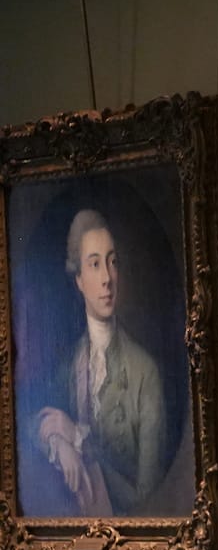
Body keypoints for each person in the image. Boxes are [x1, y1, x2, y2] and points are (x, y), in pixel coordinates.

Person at [31, 209, 167, 515]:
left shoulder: (145, 373)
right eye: (94, 264)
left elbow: (149, 500)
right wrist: (58, 441)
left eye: (112, 262)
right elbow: (29, 422)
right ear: (79, 279)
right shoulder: (68, 365)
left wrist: (78, 440)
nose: (107, 278)